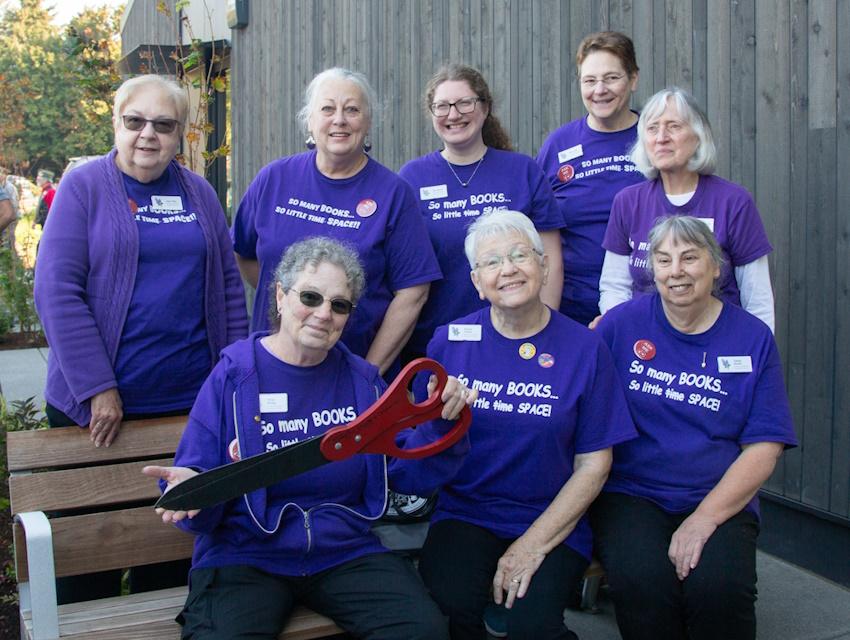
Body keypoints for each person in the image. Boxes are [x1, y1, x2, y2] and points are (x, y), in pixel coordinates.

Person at [144, 237, 477, 640]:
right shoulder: (235, 376)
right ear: (281, 296)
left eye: (339, 305)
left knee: (422, 632)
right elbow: (195, 473)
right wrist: (193, 491)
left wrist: (442, 420)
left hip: (345, 552)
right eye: (311, 297)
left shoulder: (363, 384)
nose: (323, 314)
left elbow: (407, 473)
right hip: (246, 556)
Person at [33, 74, 248, 600]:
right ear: (116, 123)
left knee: (170, 549)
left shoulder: (198, 191)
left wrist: (234, 379)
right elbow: (56, 290)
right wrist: (96, 387)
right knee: (89, 556)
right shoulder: (83, 189)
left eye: (164, 125)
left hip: (186, 407)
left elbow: (226, 288)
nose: (147, 135)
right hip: (98, 413)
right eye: (135, 121)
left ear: (179, 135)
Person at [417, 210, 637, 639]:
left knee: (530, 627)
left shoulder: (585, 349)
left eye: (520, 255)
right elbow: (426, 446)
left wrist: (532, 544)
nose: (509, 269)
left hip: (552, 517)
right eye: (492, 262)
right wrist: (440, 420)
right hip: (467, 512)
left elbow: (594, 465)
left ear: (544, 265)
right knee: (448, 610)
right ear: (477, 282)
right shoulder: (449, 342)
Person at [592, 215, 797, 640]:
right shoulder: (621, 325)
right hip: (633, 493)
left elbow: (765, 446)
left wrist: (703, 519)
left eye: (689, 257)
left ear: (716, 265)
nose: (676, 271)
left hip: (719, 494)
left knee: (720, 590)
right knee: (643, 584)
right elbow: (570, 383)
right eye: (663, 260)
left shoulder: (752, 337)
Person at [233, 67, 441, 375]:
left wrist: (367, 373)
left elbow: (413, 292)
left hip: (352, 367)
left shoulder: (393, 193)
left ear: (368, 122)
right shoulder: (273, 180)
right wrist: (293, 298)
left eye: (352, 109)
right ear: (310, 120)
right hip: (273, 367)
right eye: (327, 108)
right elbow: (244, 254)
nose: (339, 119)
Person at [398, 64, 564, 359]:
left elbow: (549, 260)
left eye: (465, 103)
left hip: (518, 337)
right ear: (431, 114)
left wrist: (545, 334)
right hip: (437, 341)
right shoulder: (412, 178)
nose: (453, 114)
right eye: (442, 106)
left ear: (485, 108)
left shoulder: (523, 171)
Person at [598, 87, 776, 331]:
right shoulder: (628, 202)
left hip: (719, 342)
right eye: (652, 128)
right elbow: (614, 286)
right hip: (645, 343)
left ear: (698, 136)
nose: (661, 137)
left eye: (674, 126)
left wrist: (757, 353)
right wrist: (622, 334)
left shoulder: (733, 202)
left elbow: (757, 297)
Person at [536, 31, 644, 326]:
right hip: (571, 306)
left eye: (611, 78)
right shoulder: (559, 144)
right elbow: (539, 229)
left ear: (633, 79)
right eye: (590, 80)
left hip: (648, 304)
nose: (600, 90)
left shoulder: (656, 136)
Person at [0, 168, 20, 246]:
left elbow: (12, 210)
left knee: (9, 239)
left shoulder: (10, 187)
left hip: (8, 221)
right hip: (4, 219)